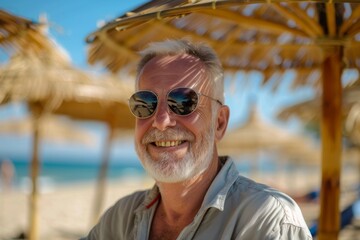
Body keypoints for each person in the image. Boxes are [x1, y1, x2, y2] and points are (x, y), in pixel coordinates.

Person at [81, 39, 312, 240]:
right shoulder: (121, 218)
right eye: (145, 104)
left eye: (183, 102)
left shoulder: (267, 221)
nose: (161, 121)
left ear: (219, 123)